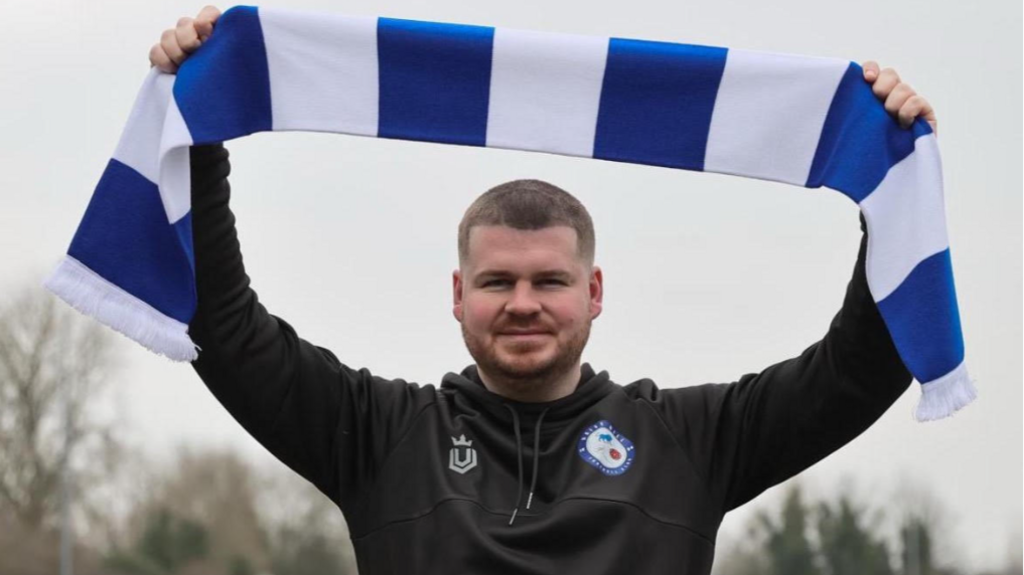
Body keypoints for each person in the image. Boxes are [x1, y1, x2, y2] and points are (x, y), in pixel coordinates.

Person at [152, 7, 939, 574]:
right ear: (457, 294)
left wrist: (885, 187)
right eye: (497, 280)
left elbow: (860, 370)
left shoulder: (690, 441)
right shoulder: (380, 435)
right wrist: (201, 137)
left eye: (549, 280)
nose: (522, 302)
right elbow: (224, 330)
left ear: (594, 291)